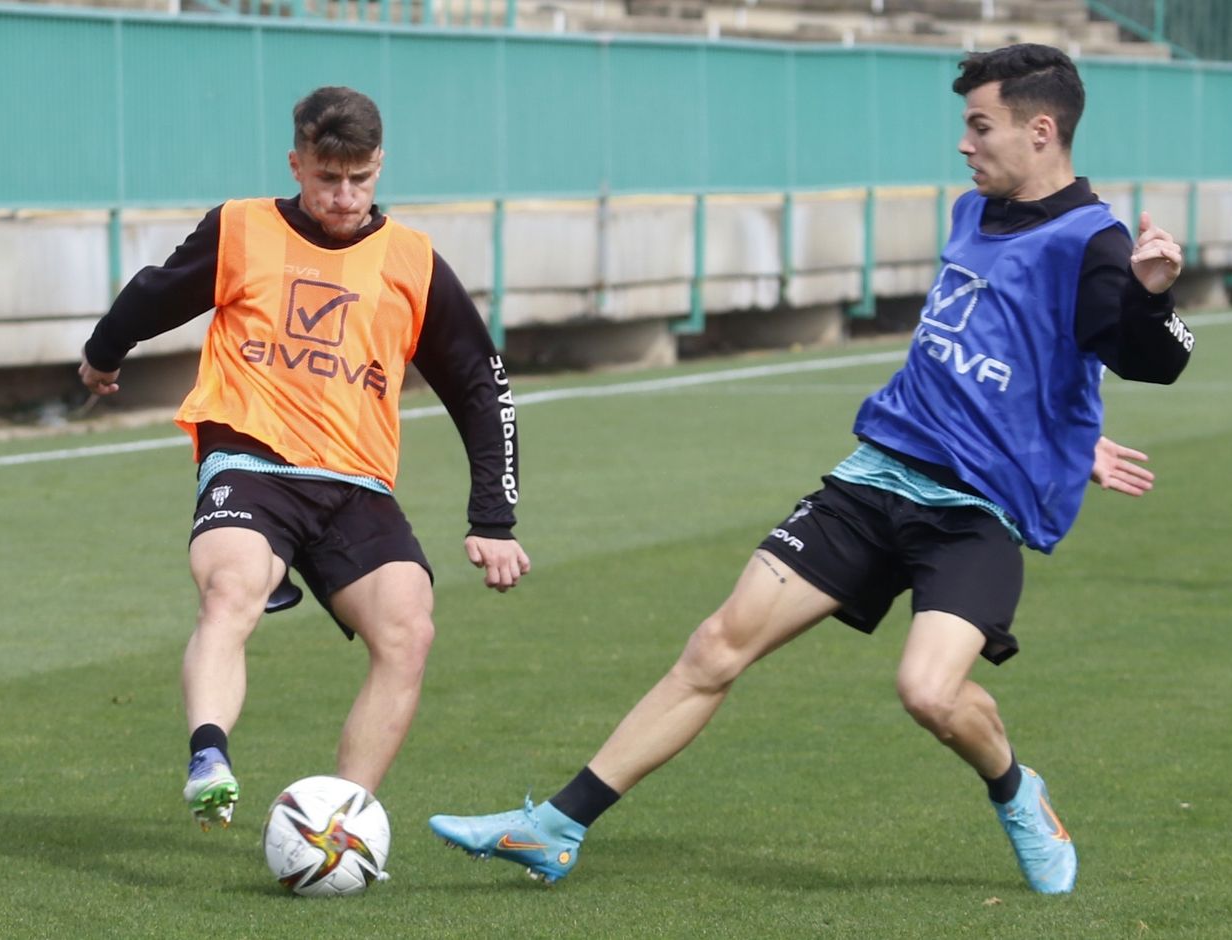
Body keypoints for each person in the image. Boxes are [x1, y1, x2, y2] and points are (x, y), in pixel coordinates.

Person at [428, 43, 1192, 895]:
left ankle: (1018, 792)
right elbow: (995, 348)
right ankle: (554, 828)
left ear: (1041, 130)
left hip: (976, 515)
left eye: (981, 126)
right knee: (717, 645)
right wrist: (1066, 437)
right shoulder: (971, 213)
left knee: (929, 693)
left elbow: (1141, 357)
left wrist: (1154, 298)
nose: (964, 144)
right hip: (875, 477)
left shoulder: (1096, 240)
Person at [79, 85, 529, 831]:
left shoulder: (412, 261)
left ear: (379, 166)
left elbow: (483, 385)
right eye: (327, 179)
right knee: (231, 590)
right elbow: (157, 293)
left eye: (359, 179)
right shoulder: (242, 230)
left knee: (408, 629)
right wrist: (103, 353)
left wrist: (495, 517)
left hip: (355, 485)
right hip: (251, 463)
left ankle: (340, 823)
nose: (343, 196)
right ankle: (209, 756)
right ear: (297, 165)